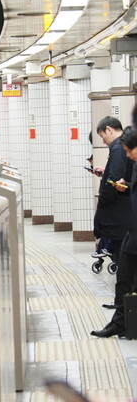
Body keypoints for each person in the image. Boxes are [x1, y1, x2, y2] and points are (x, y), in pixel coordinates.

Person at [91, 123, 137, 338]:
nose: (127, 155)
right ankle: (120, 322)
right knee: (124, 278)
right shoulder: (135, 163)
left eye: (129, 150)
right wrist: (126, 187)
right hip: (132, 229)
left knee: (127, 278)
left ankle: (123, 322)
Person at [90, 117, 131, 298]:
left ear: (109, 129)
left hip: (118, 216)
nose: (103, 140)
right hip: (122, 215)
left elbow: (115, 179)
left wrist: (103, 203)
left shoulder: (118, 148)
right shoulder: (121, 147)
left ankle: (123, 306)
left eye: (102, 135)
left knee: (123, 263)